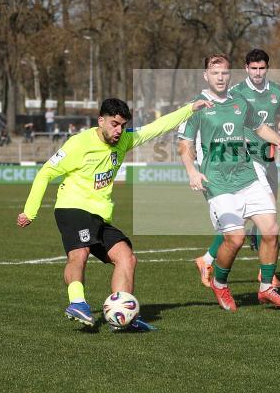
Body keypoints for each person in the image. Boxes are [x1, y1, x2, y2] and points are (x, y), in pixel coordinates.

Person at [17, 96, 211, 331]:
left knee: (126, 258)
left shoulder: (124, 140)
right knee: (80, 253)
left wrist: (190, 108)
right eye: (114, 124)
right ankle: (77, 302)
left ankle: (122, 316)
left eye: (123, 125)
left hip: (99, 215)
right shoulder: (79, 144)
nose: (119, 130)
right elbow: (45, 173)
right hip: (72, 207)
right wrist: (30, 211)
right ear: (101, 120)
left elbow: (156, 127)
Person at [194, 48, 280, 288]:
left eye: (262, 68)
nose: (257, 72)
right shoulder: (236, 92)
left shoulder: (276, 91)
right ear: (246, 69)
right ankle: (263, 275)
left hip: (269, 159)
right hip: (248, 162)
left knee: (257, 217)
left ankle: (208, 259)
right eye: (253, 68)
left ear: (267, 68)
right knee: (265, 217)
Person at [177, 54, 280, 312]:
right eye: (215, 73)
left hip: (246, 175)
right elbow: (184, 144)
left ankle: (266, 288)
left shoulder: (240, 102)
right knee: (236, 238)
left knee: (271, 230)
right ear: (206, 76)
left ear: (230, 75)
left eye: (224, 73)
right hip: (217, 181)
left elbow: (260, 127)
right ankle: (220, 282)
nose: (220, 77)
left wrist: (279, 142)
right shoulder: (196, 107)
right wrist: (191, 171)